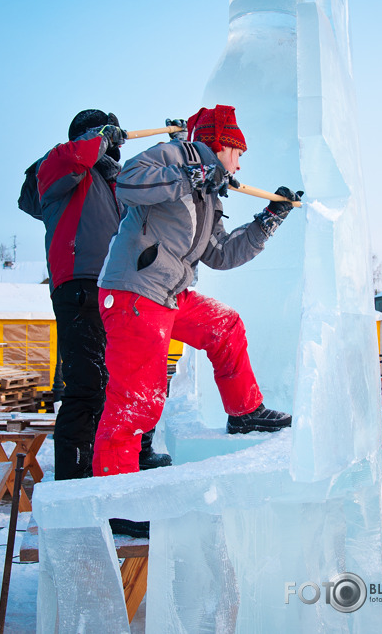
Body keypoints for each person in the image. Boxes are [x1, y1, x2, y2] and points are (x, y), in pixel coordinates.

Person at [92, 104, 302, 481]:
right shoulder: (175, 156)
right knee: (137, 401)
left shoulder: (209, 196)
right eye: (238, 154)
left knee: (225, 325)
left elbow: (220, 254)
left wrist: (268, 220)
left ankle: (244, 412)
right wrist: (190, 174)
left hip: (170, 293)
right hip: (135, 292)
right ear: (222, 145)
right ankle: (115, 499)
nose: (238, 166)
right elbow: (128, 182)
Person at [36, 109, 171, 482]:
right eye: (102, 135)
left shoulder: (115, 185)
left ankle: (128, 466)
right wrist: (99, 138)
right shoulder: (57, 167)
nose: (112, 145)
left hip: (120, 288)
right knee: (88, 386)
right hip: (80, 284)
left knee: (128, 379)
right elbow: (75, 155)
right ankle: (75, 486)